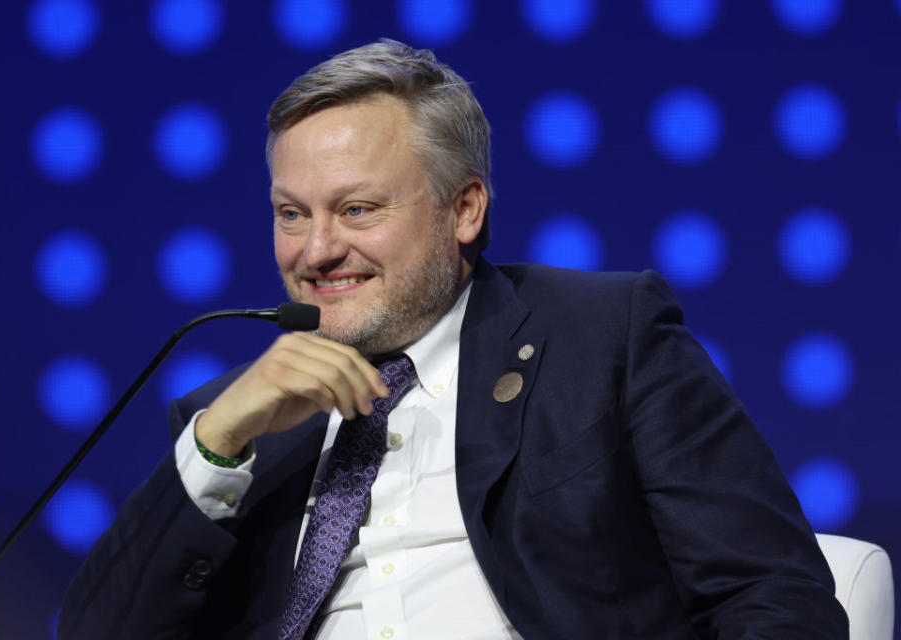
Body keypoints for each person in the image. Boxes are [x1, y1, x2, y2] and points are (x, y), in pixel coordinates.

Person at [60, 39, 848, 639]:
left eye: (358, 209)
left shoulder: (604, 337)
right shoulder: (237, 422)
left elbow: (773, 596)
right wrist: (217, 442)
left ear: (464, 210)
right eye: (291, 213)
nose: (314, 251)